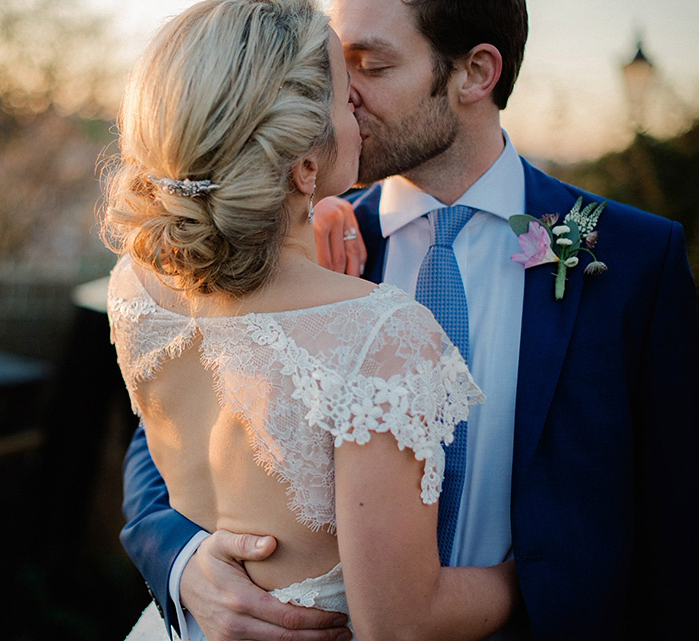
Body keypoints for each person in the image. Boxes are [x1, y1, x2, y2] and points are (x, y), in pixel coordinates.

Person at [119, 1, 699, 640]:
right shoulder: (285, 238)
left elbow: (676, 511)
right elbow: (169, 425)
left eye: (370, 65)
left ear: (474, 74)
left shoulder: (631, 260)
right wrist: (184, 563)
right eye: (333, 67)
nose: (337, 96)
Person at [106, 1, 524, 640]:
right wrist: (541, 572)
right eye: (338, 88)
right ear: (303, 165)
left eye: (371, 66)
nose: (352, 101)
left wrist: (303, 216)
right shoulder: (381, 334)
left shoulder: (133, 285)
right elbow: (403, 623)